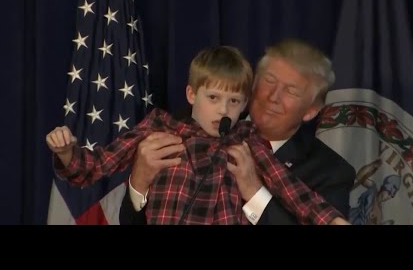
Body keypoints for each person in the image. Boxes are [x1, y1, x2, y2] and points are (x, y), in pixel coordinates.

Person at [46, 45, 348, 225]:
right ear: (192, 94)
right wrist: (66, 153)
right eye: (213, 98)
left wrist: (331, 219)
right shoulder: (159, 128)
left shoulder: (246, 142)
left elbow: (290, 187)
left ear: (245, 104)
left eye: (234, 102)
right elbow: (98, 165)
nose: (223, 111)